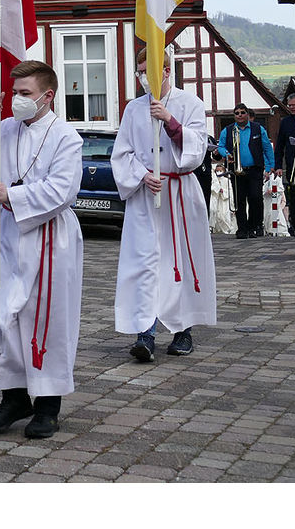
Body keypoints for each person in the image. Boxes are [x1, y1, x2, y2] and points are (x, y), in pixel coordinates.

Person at [0, 60, 84, 440]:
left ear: (48, 96)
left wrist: (12, 195)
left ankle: (47, 405)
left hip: (47, 237)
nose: (17, 100)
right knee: (1, 315)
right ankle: (13, 396)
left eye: (25, 94)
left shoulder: (65, 136)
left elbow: (63, 190)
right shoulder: (4, 127)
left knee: (46, 320)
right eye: (14, 93)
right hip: (7, 237)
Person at [112, 47, 216, 362]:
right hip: (146, 197)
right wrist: (142, 175)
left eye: (150, 72)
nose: (144, 78)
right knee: (145, 263)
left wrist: (169, 120)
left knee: (180, 262)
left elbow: (198, 149)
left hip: (180, 193)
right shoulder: (133, 109)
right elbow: (122, 153)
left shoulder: (191, 104)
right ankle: (145, 333)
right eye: (140, 72)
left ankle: (183, 331)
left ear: (167, 71)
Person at [217, 103, 275, 239]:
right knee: (239, 200)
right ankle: (242, 228)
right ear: (234, 116)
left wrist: (270, 166)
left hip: (255, 169)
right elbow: (220, 146)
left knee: (255, 198)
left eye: (242, 112)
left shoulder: (258, 129)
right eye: (237, 113)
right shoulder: (228, 130)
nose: (240, 115)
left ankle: (255, 226)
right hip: (237, 171)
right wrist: (226, 154)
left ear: (247, 114)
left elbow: (267, 147)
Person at [273, 93, 295, 235]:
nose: (291, 108)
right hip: (293, 163)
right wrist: (278, 165)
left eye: (294, 105)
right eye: (290, 106)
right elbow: (280, 144)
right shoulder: (286, 122)